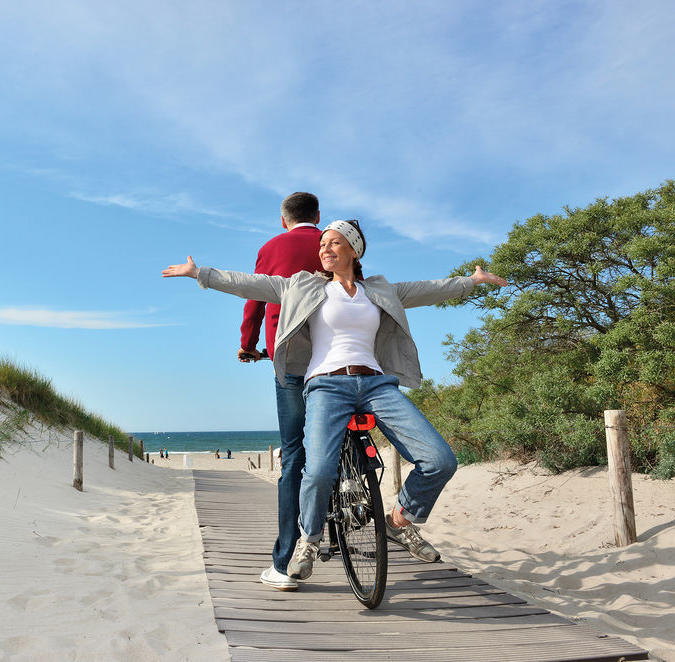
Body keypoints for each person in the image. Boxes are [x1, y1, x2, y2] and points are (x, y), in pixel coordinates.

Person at [162, 219, 507, 584]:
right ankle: (309, 540)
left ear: (354, 251)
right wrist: (201, 273)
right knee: (320, 470)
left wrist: (472, 281)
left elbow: (428, 289)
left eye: (334, 243)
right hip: (327, 386)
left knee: (440, 459)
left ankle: (399, 521)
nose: (325, 249)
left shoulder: (380, 289)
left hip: (377, 385)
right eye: (323, 243)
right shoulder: (303, 286)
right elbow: (252, 283)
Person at [238, 191, 322, 591]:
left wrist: (248, 343)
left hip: (287, 356)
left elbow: (255, 297)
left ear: (283, 219)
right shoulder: (334, 242)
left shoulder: (271, 247)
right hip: (335, 353)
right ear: (317, 216)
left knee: (293, 455)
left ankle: (284, 563)